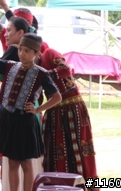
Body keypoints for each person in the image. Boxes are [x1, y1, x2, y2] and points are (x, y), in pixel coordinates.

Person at [0, 23, 61, 191]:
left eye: (27, 51)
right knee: (12, 162)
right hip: (8, 118)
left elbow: (57, 97)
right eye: (21, 49)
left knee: (26, 163)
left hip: (25, 121)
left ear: (36, 54)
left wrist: (37, 109)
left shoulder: (41, 73)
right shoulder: (10, 65)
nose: (22, 53)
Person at [37, 47, 98, 181]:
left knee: (81, 148)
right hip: (54, 111)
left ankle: (84, 185)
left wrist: (42, 75)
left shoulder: (49, 53)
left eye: (27, 50)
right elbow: (39, 97)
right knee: (57, 152)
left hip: (73, 107)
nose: (23, 54)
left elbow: (65, 69)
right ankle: (60, 185)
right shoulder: (34, 68)